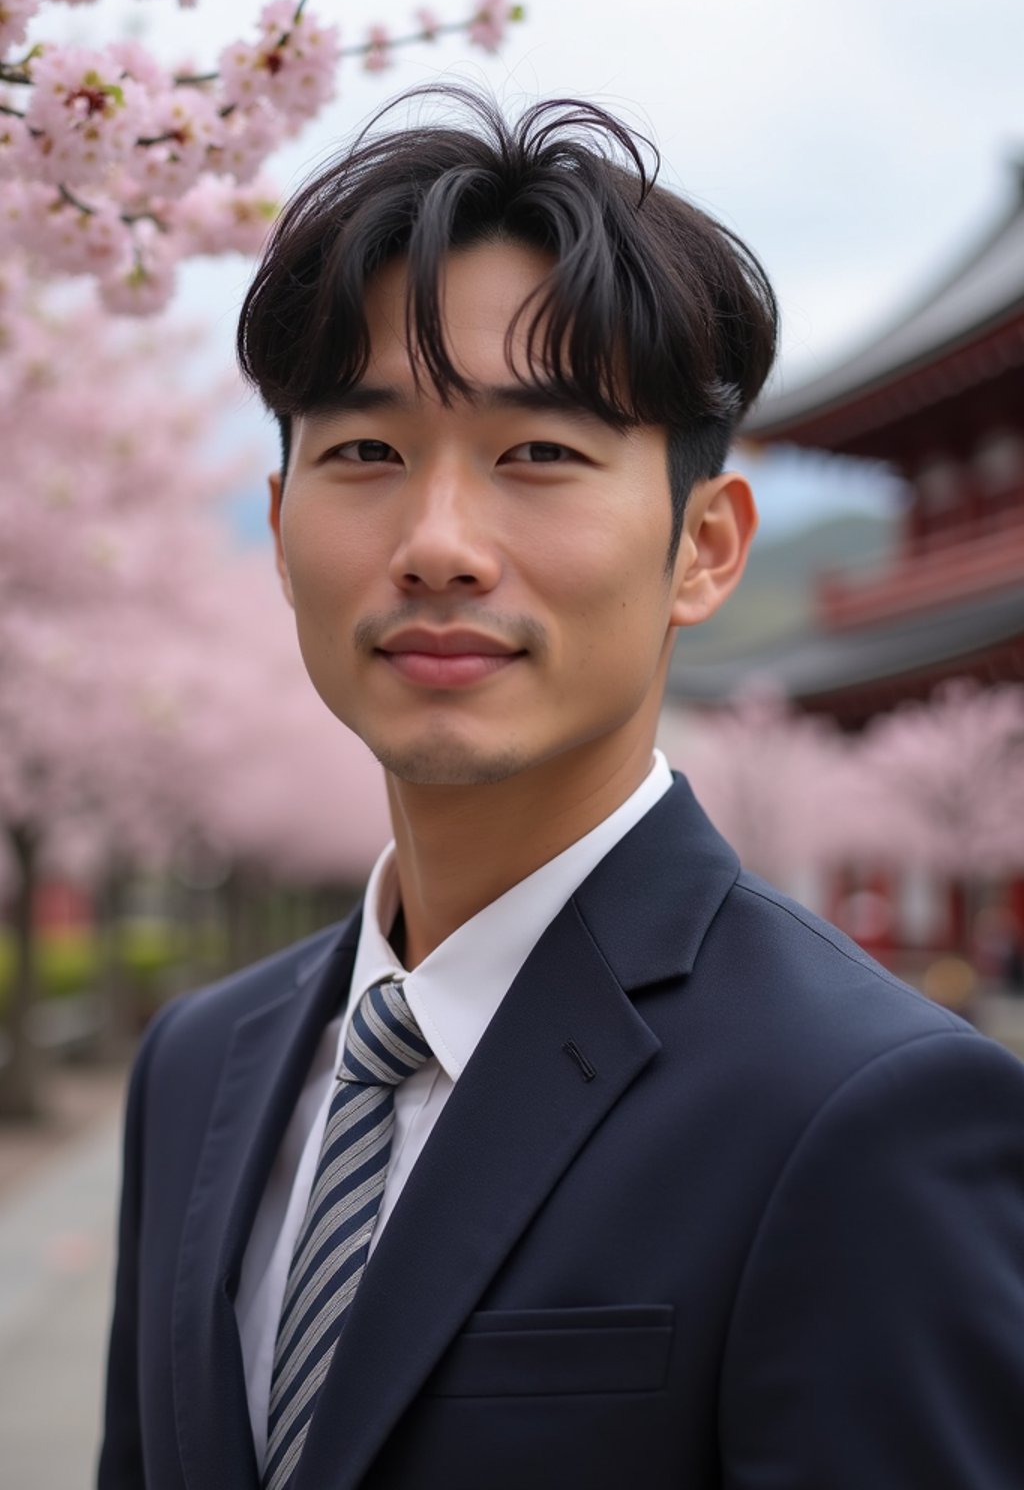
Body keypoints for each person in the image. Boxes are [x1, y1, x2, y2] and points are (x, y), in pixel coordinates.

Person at [98, 88, 1024, 1490]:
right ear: (281, 533)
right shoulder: (197, 1066)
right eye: (365, 452)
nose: (439, 544)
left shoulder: (864, 1113)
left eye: (539, 453)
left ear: (705, 548)